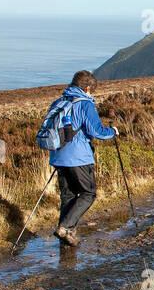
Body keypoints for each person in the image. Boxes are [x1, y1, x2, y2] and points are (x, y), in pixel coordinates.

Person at [47, 70, 123, 246]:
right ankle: (65, 227)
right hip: (78, 157)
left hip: (58, 156)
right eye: (92, 91)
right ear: (87, 88)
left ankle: (67, 236)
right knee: (88, 194)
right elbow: (96, 131)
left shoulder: (59, 102)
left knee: (68, 196)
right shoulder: (85, 104)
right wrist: (112, 131)